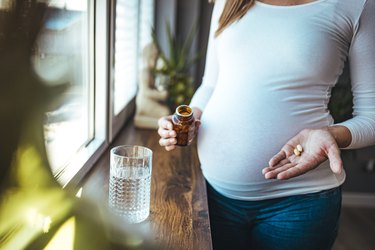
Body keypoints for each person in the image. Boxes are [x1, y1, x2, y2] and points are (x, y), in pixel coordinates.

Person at [157, 0, 375, 249]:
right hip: (212, 195)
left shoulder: (357, 5)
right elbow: (211, 84)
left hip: (299, 204)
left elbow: (372, 116)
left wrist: (331, 134)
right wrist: (188, 118)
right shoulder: (229, 1)